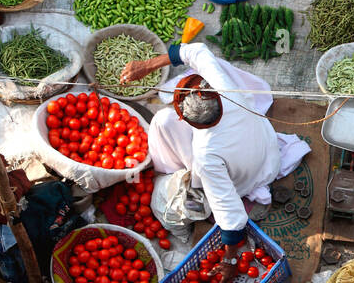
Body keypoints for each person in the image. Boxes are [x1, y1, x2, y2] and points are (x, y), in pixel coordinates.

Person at [120, 41, 309, 251]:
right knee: (163, 120)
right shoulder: (224, 87)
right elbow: (197, 51)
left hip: (246, 181)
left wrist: (230, 257)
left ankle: (178, 176)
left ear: (185, 119)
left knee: (163, 199)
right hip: (267, 154)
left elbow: (228, 211)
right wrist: (147, 65)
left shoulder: (206, 154)